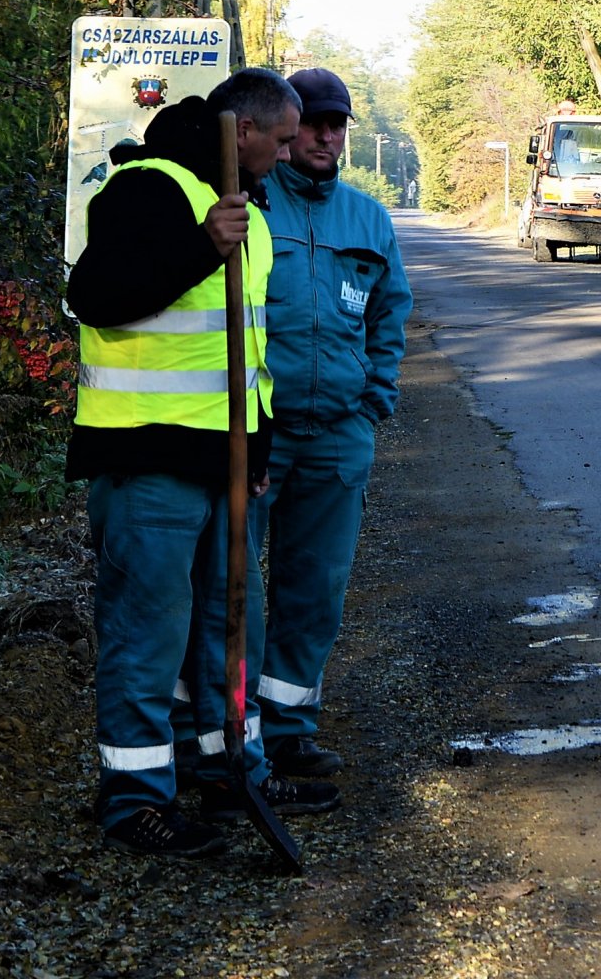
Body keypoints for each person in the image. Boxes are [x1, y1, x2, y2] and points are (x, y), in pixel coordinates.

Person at [68, 69, 337, 860]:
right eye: (283, 139)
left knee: (228, 627)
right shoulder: (148, 188)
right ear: (243, 131)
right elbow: (96, 295)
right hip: (148, 456)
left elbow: (243, 350)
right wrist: (200, 247)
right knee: (147, 635)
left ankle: (228, 770)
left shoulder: (240, 203)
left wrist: (257, 450)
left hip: (219, 458)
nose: (290, 154)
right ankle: (135, 801)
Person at [251, 68, 413, 780]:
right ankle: (229, 734)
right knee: (232, 586)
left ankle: (288, 728)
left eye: (337, 123)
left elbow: (391, 312)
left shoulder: (368, 219)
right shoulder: (250, 205)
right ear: (287, 131)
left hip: (339, 434)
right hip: (254, 434)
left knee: (314, 588)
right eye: (314, 121)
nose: (326, 134)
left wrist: (374, 400)